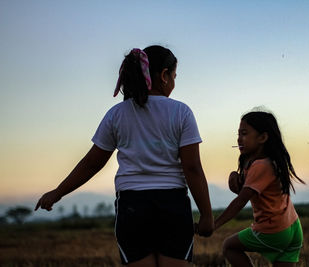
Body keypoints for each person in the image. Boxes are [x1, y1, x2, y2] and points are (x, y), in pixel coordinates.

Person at [35, 45, 214, 267]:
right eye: (175, 76)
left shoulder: (116, 114)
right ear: (164, 75)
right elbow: (192, 168)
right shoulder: (181, 112)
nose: (174, 82)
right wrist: (206, 214)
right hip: (172, 204)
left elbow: (92, 163)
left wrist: (57, 192)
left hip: (132, 205)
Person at [214, 111, 305, 267]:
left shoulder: (260, 165)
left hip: (273, 230)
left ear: (262, 138)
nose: (239, 138)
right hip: (293, 227)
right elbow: (253, 192)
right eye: (238, 134)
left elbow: (241, 200)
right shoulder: (270, 162)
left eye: (244, 133)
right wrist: (234, 178)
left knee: (229, 246)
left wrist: (214, 224)